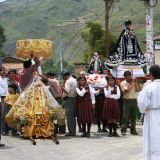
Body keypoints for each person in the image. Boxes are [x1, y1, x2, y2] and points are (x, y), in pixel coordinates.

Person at [137, 65, 160, 160]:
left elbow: (142, 102)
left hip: (152, 115)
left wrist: (139, 96)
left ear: (151, 74)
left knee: (153, 137)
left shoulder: (149, 87)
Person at [120, 70, 141, 135]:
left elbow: (137, 90)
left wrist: (136, 82)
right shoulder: (122, 83)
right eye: (127, 77)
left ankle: (133, 129)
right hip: (127, 101)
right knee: (125, 116)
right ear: (125, 77)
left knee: (133, 116)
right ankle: (123, 130)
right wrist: (132, 84)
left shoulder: (134, 82)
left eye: (130, 76)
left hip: (134, 100)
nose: (129, 78)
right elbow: (127, 91)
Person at [61, 72, 77, 136]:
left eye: (64, 77)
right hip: (74, 99)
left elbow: (67, 91)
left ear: (67, 76)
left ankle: (71, 132)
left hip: (69, 99)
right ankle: (73, 131)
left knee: (69, 117)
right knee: (72, 117)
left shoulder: (68, 81)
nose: (64, 79)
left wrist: (62, 86)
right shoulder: (75, 80)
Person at [0, 67, 8, 134]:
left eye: (4, 70)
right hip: (2, 98)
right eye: (2, 70)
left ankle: (6, 130)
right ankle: (2, 130)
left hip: (8, 97)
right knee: (2, 114)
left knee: (6, 113)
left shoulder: (6, 79)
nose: (3, 72)